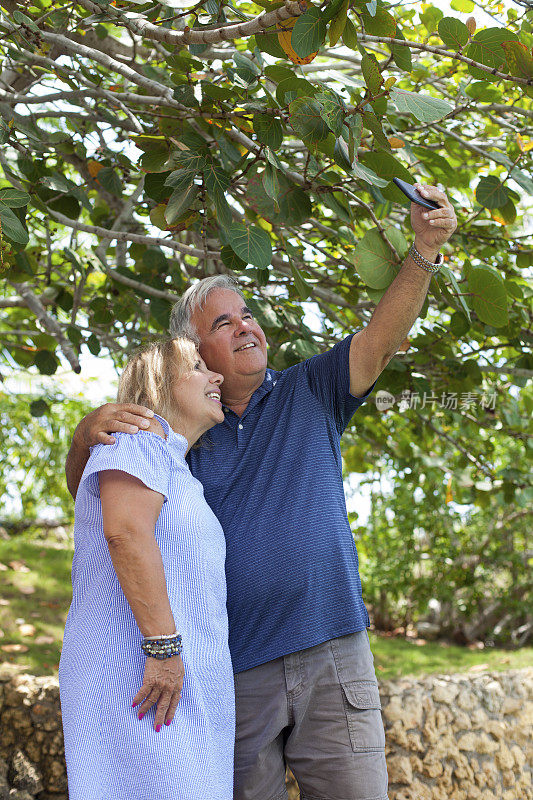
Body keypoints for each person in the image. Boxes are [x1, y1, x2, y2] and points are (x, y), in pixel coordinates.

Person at [65, 184, 457, 800]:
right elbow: (102, 508)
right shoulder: (176, 432)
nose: (245, 327)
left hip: (333, 649)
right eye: (224, 323)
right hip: (232, 664)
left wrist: (424, 250)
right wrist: (85, 435)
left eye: (246, 314)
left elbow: (381, 340)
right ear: (196, 355)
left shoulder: (311, 390)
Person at [59, 337, 235, 800]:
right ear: (158, 384)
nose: (216, 376)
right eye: (198, 367)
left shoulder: (173, 463)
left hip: (171, 683)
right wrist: (162, 649)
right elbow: (126, 533)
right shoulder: (140, 437)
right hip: (143, 681)